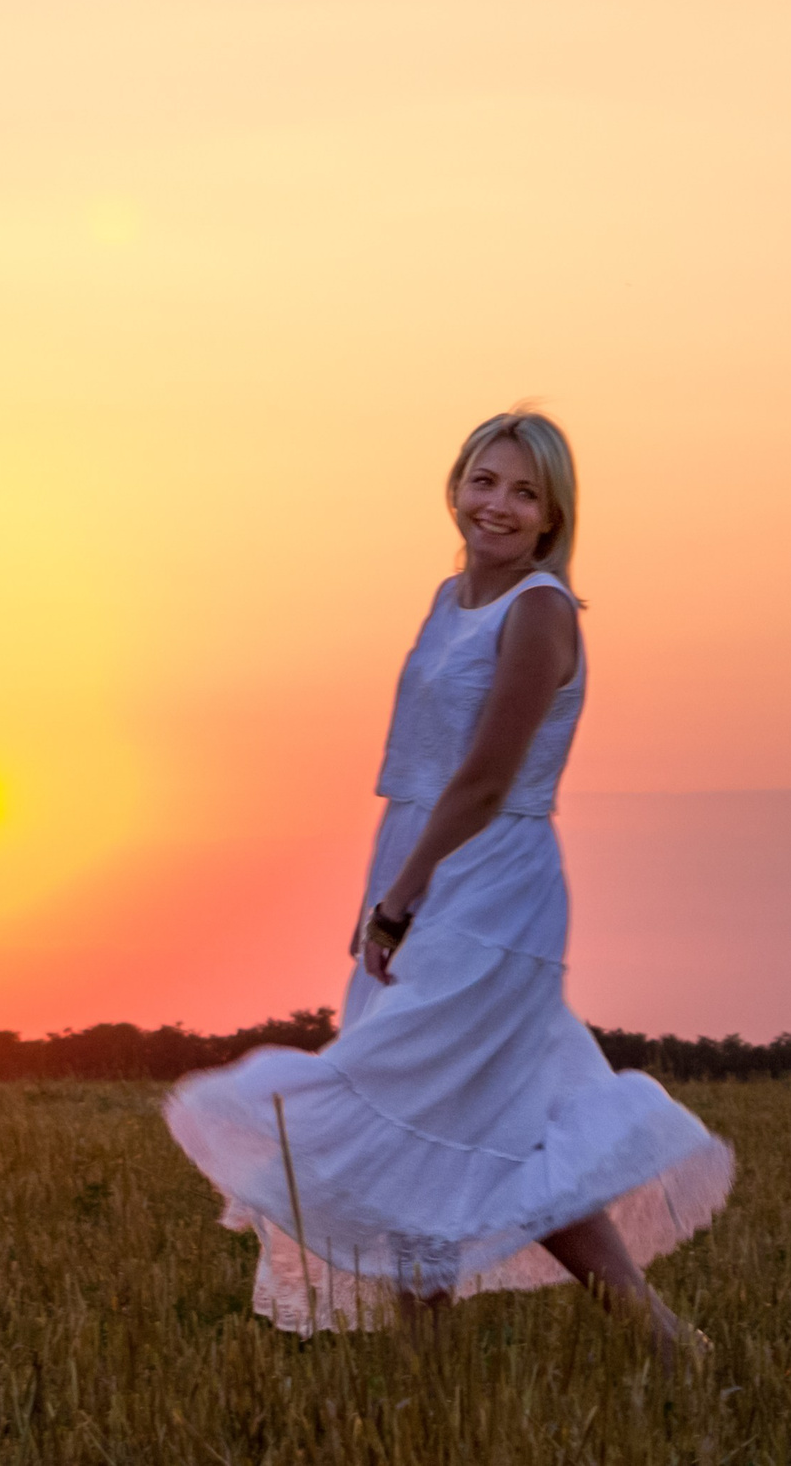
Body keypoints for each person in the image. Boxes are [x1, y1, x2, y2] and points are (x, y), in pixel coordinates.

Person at [164, 408, 729, 1359]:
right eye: (483, 481)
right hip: (421, 857)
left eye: (523, 493)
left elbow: (483, 777)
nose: (497, 506)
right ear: (455, 486)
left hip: (488, 881)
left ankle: (663, 1340)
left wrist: (402, 895)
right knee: (459, 1121)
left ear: (553, 517)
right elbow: (426, 767)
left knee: (440, 1110)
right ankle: (445, 1357)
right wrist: (391, 880)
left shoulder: (541, 610)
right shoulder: (449, 597)